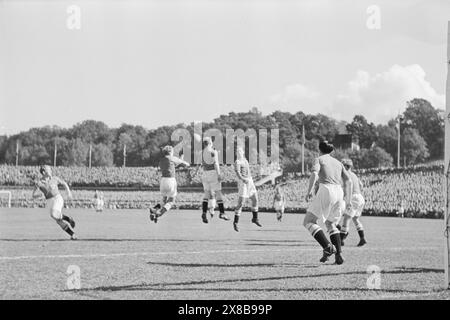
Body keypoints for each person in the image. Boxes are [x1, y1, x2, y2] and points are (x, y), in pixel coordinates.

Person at [303, 141, 352, 265]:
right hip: (339, 191)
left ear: (319, 149)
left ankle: (328, 247)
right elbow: (349, 181)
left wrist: (309, 191)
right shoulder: (338, 163)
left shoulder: (319, 159)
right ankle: (339, 255)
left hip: (326, 189)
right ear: (331, 151)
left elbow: (314, 174)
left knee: (309, 221)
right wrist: (349, 199)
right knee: (331, 224)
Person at [32, 165, 77, 240]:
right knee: (58, 221)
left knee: (53, 214)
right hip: (49, 201)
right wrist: (39, 195)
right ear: (43, 172)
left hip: (57, 198)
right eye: (49, 170)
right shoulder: (39, 183)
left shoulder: (54, 178)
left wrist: (68, 192)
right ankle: (72, 234)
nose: (51, 171)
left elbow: (64, 183)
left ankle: (68, 219)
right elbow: (33, 195)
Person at [149, 145, 189, 223]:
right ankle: (159, 213)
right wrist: (182, 159)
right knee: (171, 201)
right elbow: (186, 164)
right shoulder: (173, 158)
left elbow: (172, 166)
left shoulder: (162, 160)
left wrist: (180, 159)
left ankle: (154, 209)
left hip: (163, 181)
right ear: (170, 152)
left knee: (163, 200)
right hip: (171, 181)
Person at [197, 137, 230, 223]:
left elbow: (198, 165)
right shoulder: (213, 151)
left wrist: (194, 174)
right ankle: (222, 213)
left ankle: (204, 212)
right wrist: (219, 174)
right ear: (210, 143)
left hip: (204, 174)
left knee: (206, 194)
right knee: (218, 193)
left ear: (204, 144)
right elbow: (216, 163)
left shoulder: (201, 153)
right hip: (213, 173)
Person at [337, 159, 367, 247]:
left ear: (346, 166)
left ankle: (341, 240)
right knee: (355, 219)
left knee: (346, 219)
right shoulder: (354, 175)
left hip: (353, 197)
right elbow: (361, 185)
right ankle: (362, 239)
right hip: (360, 197)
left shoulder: (345, 174)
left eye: (342, 165)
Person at [233, 146, 262, 232]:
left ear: (243, 152)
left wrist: (251, 179)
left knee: (255, 199)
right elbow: (238, 173)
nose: (238, 152)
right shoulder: (237, 162)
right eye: (237, 151)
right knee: (241, 203)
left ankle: (255, 218)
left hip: (250, 181)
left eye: (240, 151)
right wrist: (243, 179)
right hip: (243, 183)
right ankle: (235, 222)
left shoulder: (245, 160)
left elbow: (248, 171)